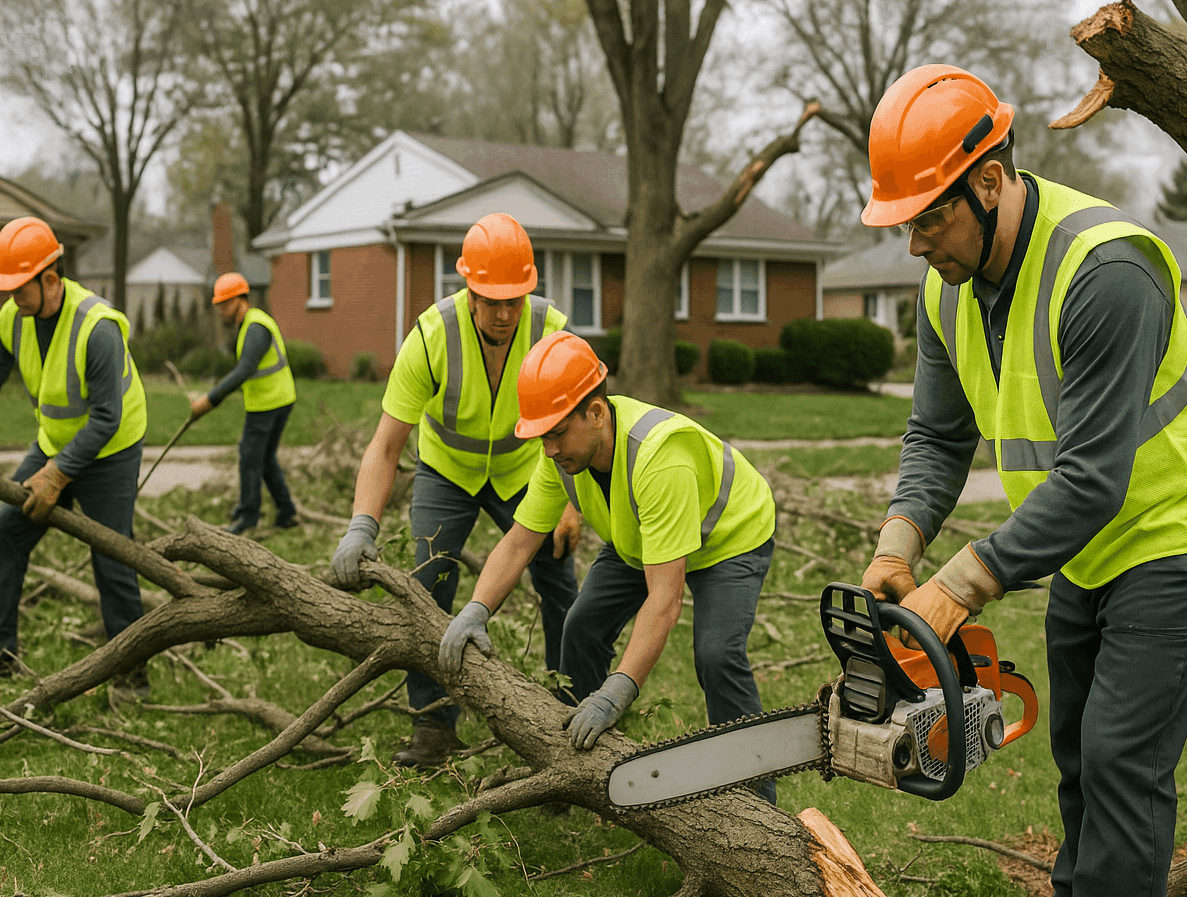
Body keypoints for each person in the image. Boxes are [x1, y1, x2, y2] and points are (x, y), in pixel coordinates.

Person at [856, 65, 1187, 897]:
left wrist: (960, 584)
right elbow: (936, 433)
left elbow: (1095, 478)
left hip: (1170, 529)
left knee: (1121, 759)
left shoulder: (1106, 271)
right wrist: (899, 541)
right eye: (904, 222)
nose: (916, 244)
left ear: (990, 180)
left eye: (930, 218)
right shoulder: (946, 286)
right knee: (1074, 739)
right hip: (1075, 543)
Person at [439, 332, 780, 799]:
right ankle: (575, 767)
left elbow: (664, 599)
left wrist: (618, 690)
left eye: (557, 433)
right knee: (579, 627)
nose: (550, 450)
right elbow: (519, 542)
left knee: (717, 654)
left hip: (727, 539)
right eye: (542, 437)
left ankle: (754, 799)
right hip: (640, 538)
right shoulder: (562, 457)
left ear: (596, 412)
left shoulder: (660, 458)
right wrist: (475, 610)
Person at [330, 212, 581, 769]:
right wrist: (361, 526)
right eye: (491, 300)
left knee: (560, 581)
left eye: (514, 300)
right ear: (468, 286)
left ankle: (574, 715)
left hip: (526, 471)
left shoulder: (552, 332)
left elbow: (579, 428)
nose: (503, 313)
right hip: (446, 472)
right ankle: (435, 728)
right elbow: (386, 444)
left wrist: (569, 498)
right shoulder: (431, 335)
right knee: (429, 584)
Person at [0, 216, 151, 695]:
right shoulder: (16, 317)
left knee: (112, 554)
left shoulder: (97, 328)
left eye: (19, 286)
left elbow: (105, 419)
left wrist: (57, 476)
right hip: (55, 442)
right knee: (5, 533)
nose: (11, 297)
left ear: (49, 279)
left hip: (111, 450)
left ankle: (131, 673)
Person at [187, 272, 298, 535]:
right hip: (278, 398)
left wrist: (209, 401)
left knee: (249, 457)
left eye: (225, 304)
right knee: (265, 458)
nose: (222, 311)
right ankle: (287, 512)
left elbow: (244, 370)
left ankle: (247, 517)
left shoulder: (256, 326)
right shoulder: (250, 323)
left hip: (269, 403)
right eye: (219, 306)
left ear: (241, 300)